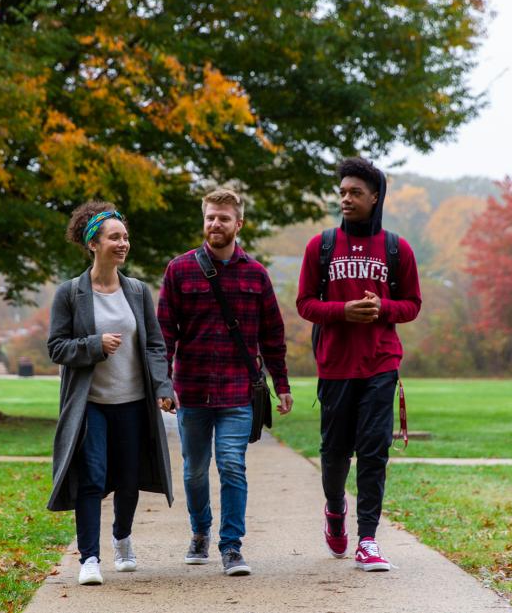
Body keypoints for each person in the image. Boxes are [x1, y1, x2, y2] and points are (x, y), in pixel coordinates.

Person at [157, 188, 293, 576]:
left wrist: (281, 384)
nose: (215, 224)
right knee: (194, 471)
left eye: (223, 218)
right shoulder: (179, 270)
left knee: (232, 465)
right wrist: (162, 384)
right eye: (210, 217)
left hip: (238, 390)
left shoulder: (256, 275)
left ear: (239, 224)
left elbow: (273, 335)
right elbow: (164, 332)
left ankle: (231, 546)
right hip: (193, 390)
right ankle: (200, 532)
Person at [296, 157, 421, 572]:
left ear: (375, 197)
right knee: (334, 455)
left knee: (373, 452)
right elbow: (305, 304)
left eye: (355, 193)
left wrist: (383, 307)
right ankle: (335, 507)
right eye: (342, 192)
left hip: (381, 365)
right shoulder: (322, 246)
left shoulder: (396, 248)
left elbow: (412, 305)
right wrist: (342, 311)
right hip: (335, 366)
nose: (346, 199)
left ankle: (368, 539)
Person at [47, 202, 176, 586]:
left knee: (128, 477)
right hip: (91, 405)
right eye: (115, 237)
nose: (123, 243)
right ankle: (89, 557)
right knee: (92, 477)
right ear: (93, 244)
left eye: (125, 237)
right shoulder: (70, 293)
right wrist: (94, 345)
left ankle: (122, 538)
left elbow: (155, 345)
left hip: (134, 403)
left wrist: (162, 386)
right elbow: (56, 347)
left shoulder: (137, 291)